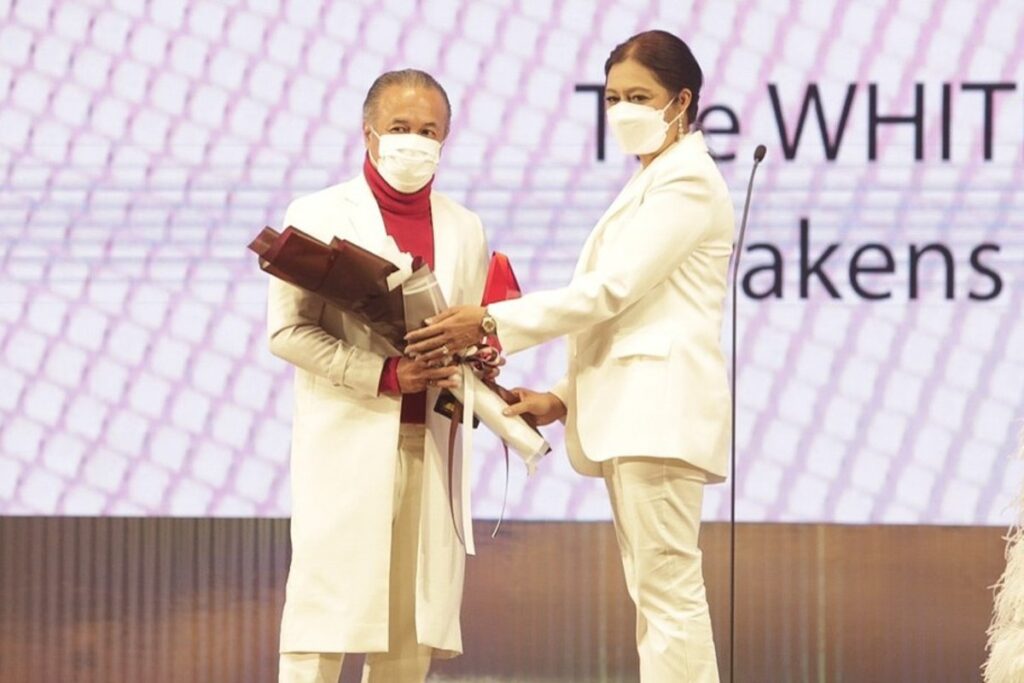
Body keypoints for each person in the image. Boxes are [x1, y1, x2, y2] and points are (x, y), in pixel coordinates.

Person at [406, 31, 733, 682]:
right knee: (657, 593)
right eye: (612, 98)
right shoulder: (653, 179)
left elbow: (611, 292)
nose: (622, 110)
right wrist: (561, 397)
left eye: (639, 96)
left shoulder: (688, 182)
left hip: (659, 415)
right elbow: (628, 317)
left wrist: (489, 321)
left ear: (681, 101)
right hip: (638, 414)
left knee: (667, 594)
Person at [269, 69, 490, 683]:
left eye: (429, 131)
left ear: (445, 139)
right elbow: (287, 332)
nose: (414, 142)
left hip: (434, 444)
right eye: (400, 127)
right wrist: (387, 373)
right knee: (324, 620)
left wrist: (483, 355)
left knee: (409, 631)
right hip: (349, 438)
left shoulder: (465, 226)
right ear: (369, 133)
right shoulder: (316, 213)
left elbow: (470, 330)